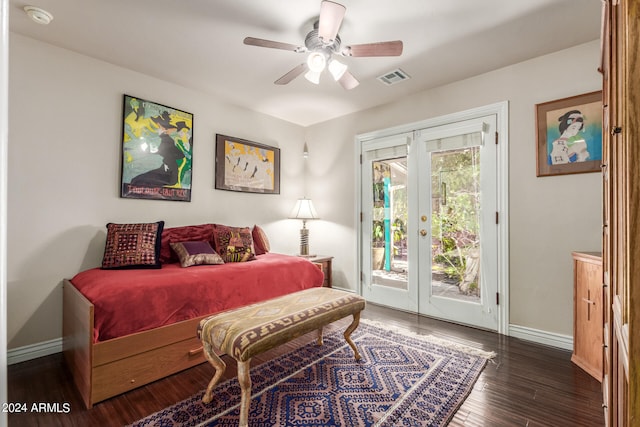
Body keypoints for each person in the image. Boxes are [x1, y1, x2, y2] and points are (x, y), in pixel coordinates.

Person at [131, 112, 185, 186]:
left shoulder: (167, 140)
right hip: (165, 170)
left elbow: (179, 155)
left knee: (137, 181)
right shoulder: (163, 140)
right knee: (137, 180)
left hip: (168, 173)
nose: (157, 129)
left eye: (159, 127)